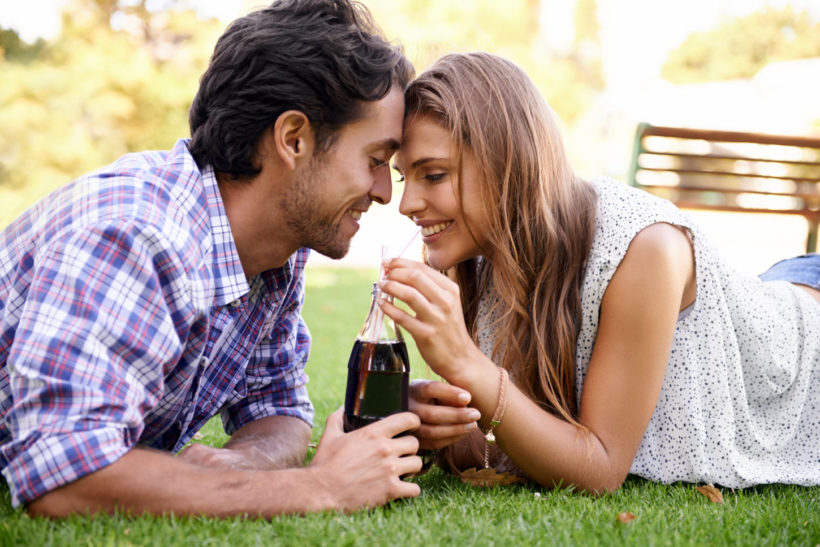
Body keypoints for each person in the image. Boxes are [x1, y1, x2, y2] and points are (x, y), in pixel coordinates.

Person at [0, 0, 423, 518]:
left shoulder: (273, 255)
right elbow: (65, 476)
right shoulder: (137, 233)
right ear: (293, 139)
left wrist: (242, 464)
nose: (385, 192)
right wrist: (321, 489)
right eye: (375, 161)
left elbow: (280, 410)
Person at [379, 51, 820, 492]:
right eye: (405, 179)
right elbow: (514, 441)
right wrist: (436, 420)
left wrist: (466, 364)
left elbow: (599, 468)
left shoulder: (643, 247)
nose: (407, 204)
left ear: (507, 163)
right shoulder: (473, 255)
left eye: (433, 175)